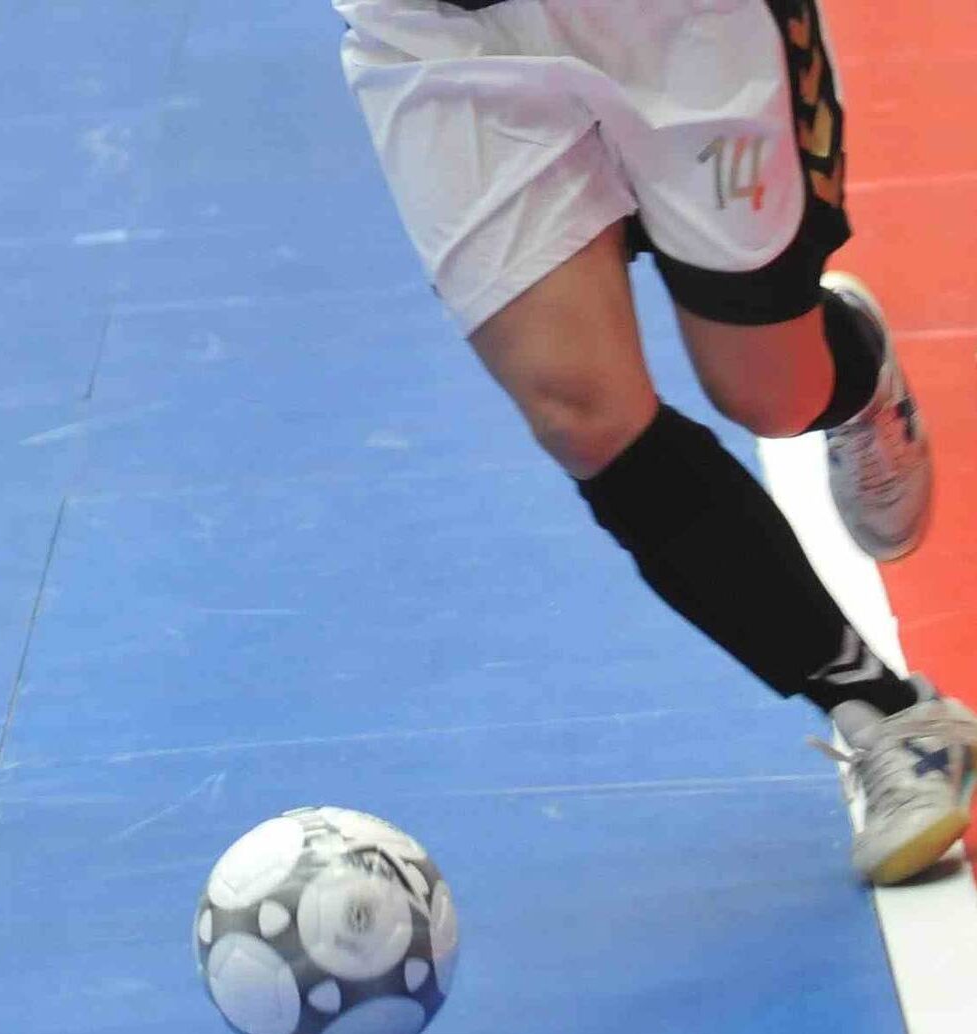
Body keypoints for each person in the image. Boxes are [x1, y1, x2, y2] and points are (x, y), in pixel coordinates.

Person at [333, 0, 974, 884]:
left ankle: (852, 372)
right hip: (444, 29)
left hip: (678, 22)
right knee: (580, 413)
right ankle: (890, 717)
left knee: (768, 392)